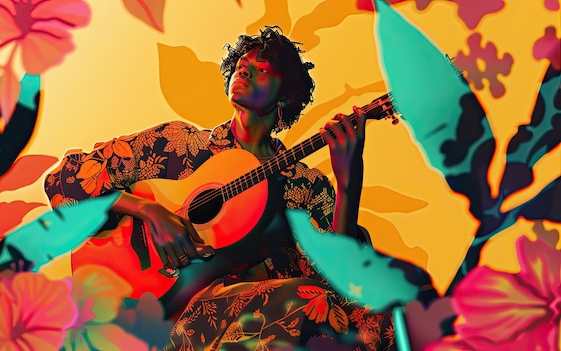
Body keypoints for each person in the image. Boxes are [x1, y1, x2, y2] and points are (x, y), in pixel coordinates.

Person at [45, 26, 395, 350]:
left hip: (267, 327)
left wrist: (349, 183)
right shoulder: (176, 144)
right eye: (241, 65)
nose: (244, 71)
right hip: (163, 321)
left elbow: (340, 282)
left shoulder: (305, 187)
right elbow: (65, 180)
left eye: (261, 70)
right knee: (300, 302)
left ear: (286, 98)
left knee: (387, 320)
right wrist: (147, 210)